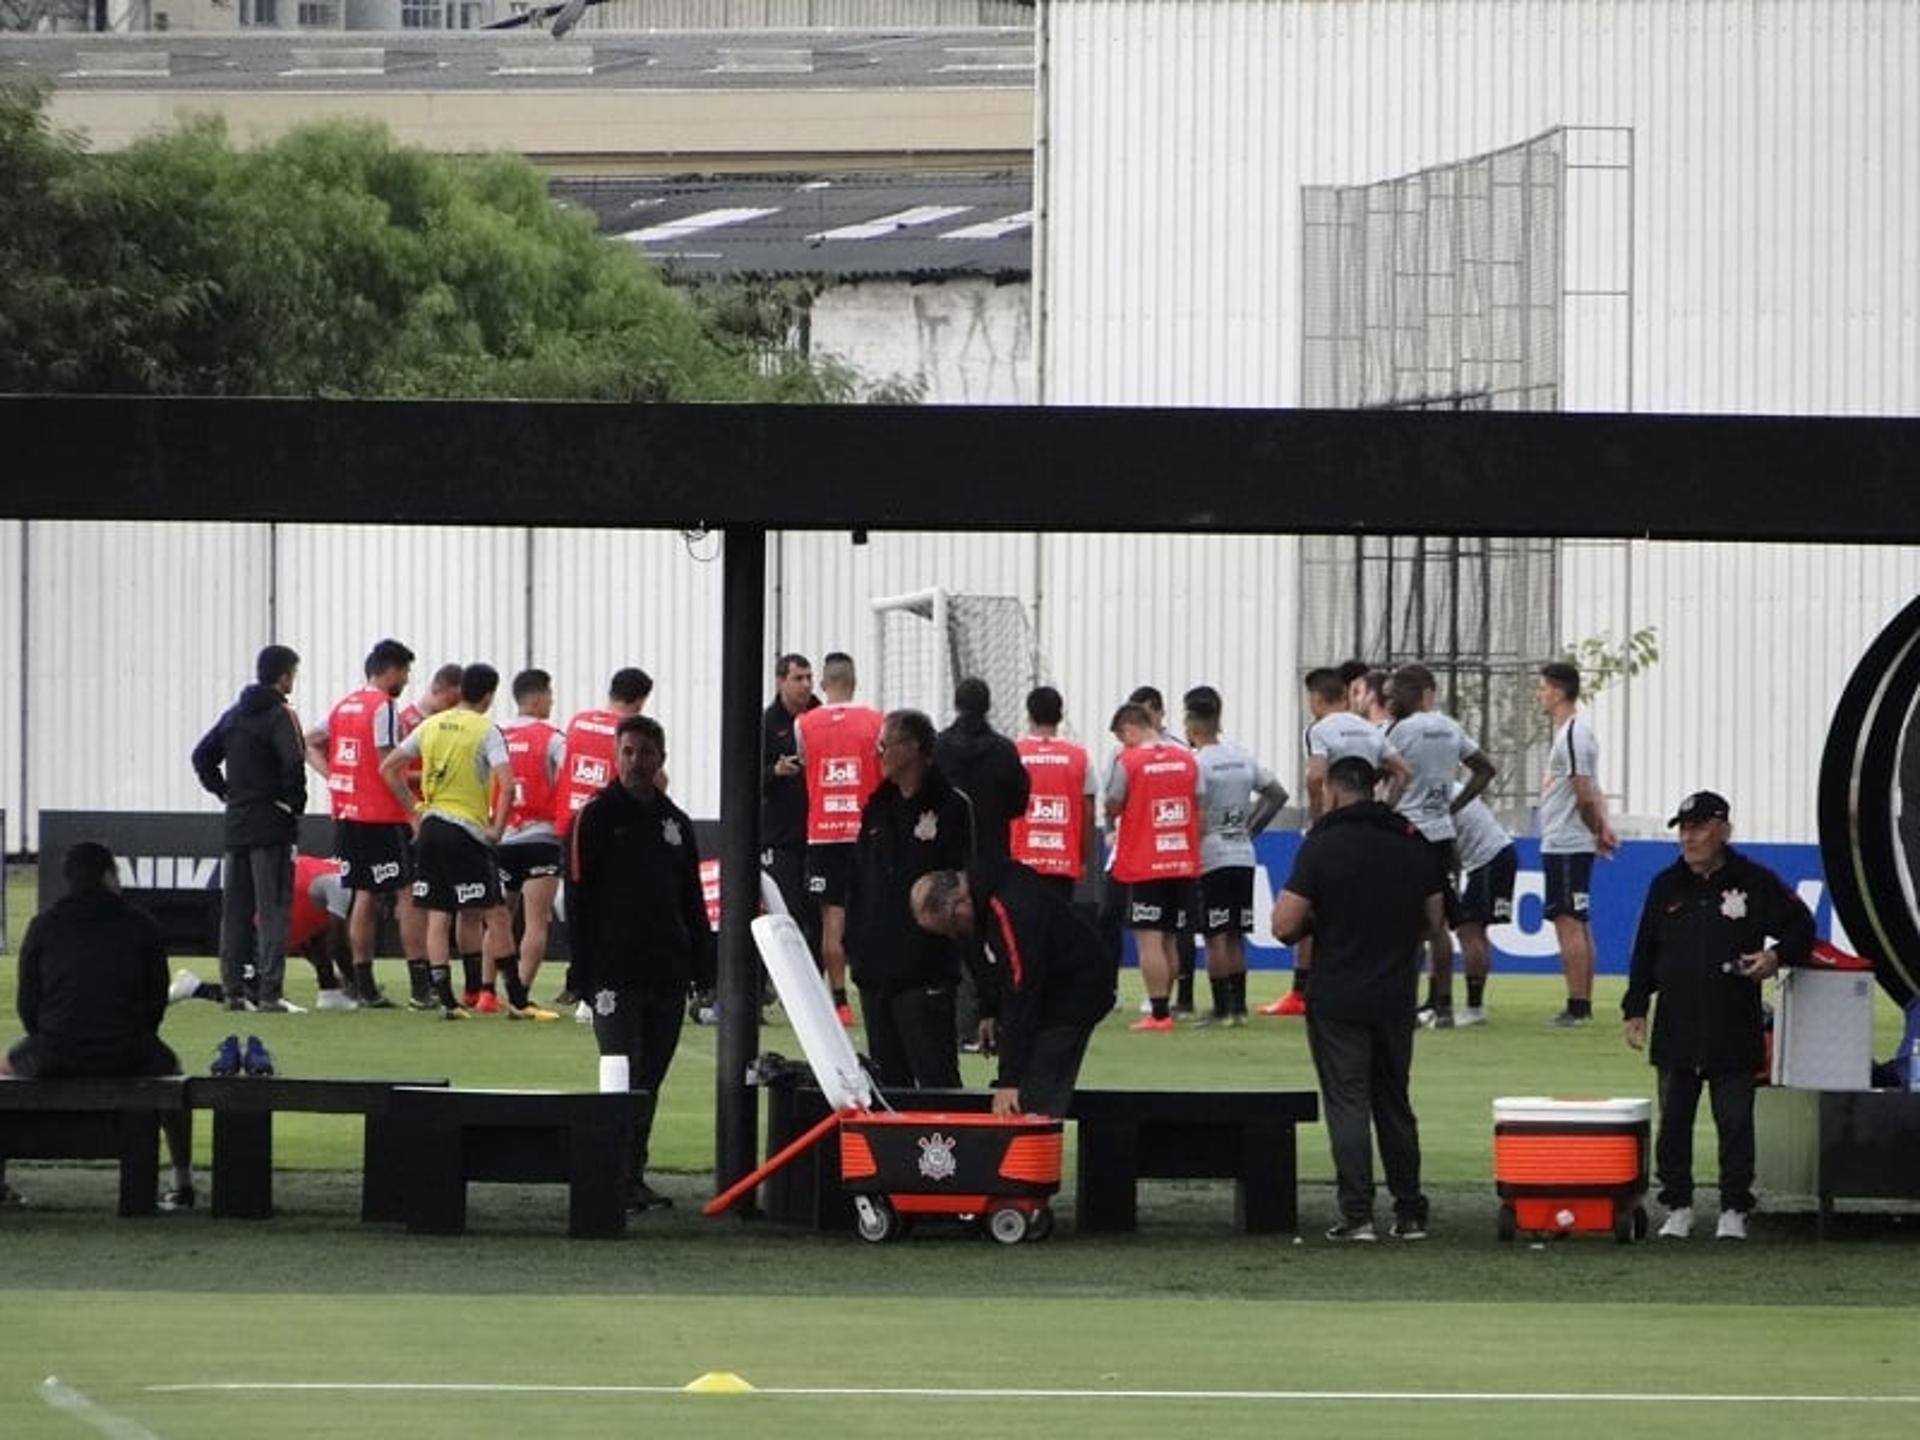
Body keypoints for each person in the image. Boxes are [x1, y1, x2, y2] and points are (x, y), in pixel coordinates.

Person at [1623, 790, 1814, 1242]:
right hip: (1676, 1022)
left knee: (1734, 1123)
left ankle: (1733, 1207)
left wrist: (1775, 957)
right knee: (1674, 1123)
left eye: (1699, 828)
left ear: (1723, 830)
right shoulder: (1665, 886)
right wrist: (1635, 1007)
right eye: (1684, 830)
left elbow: (1801, 926)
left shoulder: (1754, 880)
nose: (1689, 838)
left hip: (1733, 1020)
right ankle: (1678, 1205)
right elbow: (1645, 950)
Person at [1270, 757, 1442, 1242]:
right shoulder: (1411, 840)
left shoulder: (1323, 843)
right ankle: (1409, 1212)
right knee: (1394, 1102)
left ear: (1333, 789)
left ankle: (1357, 1214)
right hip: (1395, 993)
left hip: (1338, 993)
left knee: (1348, 1102)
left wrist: (1318, 923)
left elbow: (1283, 925)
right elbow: (1433, 923)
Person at [567, 714, 714, 1212]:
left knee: (651, 1078)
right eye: (627, 752)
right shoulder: (595, 816)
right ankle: (609, 1174)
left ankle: (634, 1173)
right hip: (613, 973)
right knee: (620, 1073)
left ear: (661, 759)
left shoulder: (675, 823)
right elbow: (579, 898)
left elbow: (693, 901)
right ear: (616, 755)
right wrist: (580, 973)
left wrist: (704, 967)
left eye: (645, 753)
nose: (635, 762)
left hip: (667, 972)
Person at [0, 843, 195, 1211]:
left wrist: (47, 1038)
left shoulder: (44, 925)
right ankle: (182, 1183)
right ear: (108, 875)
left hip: (56, 1050)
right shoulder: (142, 925)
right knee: (176, 1076)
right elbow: (155, 1000)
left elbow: (27, 1004)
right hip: (129, 1051)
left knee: (3, 1067)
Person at [1258, 667, 1408, 1017]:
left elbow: (1315, 775)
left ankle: (1300, 991)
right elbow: (1403, 772)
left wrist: (1320, 816)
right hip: (1370, 830)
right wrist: (1385, 807)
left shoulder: (1320, 729)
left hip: (1335, 828)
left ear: (1316, 699)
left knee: (1310, 904)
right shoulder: (1369, 730)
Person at [911, 862, 1116, 1116]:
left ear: (961, 904)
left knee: (1032, 1095)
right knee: (1025, 1081)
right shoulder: (974, 906)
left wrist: (1010, 1080)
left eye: (951, 928)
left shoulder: (1009, 906)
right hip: (1043, 986)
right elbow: (980, 957)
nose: (953, 936)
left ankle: (1035, 1136)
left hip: (1076, 988)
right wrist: (989, 1011)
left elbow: (1021, 989)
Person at [844, 709, 974, 1088]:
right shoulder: (876, 808)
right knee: (888, 1082)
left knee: (936, 1077)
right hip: (876, 969)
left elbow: (965, 885)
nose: (880, 753)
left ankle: (948, 1147)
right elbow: (858, 879)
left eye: (886, 744)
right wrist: (855, 942)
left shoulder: (950, 806)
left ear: (913, 747)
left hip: (925, 969)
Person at [380, 662, 513, 1019]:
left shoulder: (432, 724)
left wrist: (413, 810)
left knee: (441, 913)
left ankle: (450, 998)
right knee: (491, 911)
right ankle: (511, 996)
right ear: (488, 695)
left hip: (432, 826)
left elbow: (388, 767)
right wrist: (497, 829)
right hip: (467, 830)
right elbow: (508, 784)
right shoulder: (486, 729)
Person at [191, 643, 307, 1015]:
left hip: (237, 823)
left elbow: (202, 756)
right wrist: (293, 805)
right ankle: (270, 993)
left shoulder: (235, 714)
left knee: (235, 911)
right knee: (272, 910)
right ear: (284, 676)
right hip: (271, 824)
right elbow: (294, 762)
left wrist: (224, 791)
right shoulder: (280, 715)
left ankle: (233, 991)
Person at [1384, 664, 1498, 1029]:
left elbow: (1382, 771)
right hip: (1443, 837)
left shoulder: (1399, 731)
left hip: (1409, 835)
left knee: (1408, 925)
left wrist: (1385, 808)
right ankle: (1442, 1006)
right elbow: (1485, 769)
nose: (1389, 701)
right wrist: (1454, 804)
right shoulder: (1450, 727)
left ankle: (1412, 1002)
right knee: (1439, 926)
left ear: (1412, 692)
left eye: (1393, 694)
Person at [306, 638, 416, 1009]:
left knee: (363, 895)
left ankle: (364, 984)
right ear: (391, 670)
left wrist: (336, 777)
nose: (405, 680)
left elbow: (309, 741)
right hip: (380, 815)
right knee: (405, 893)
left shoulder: (344, 705)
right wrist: (413, 810)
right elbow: (388, 763)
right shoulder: (383, 706)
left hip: (348, 814)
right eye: (405, 673)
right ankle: (420, 985)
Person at [1183, 685, 1289, 1028]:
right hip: (1243, 853)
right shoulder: (1241, 755)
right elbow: (1277, 794)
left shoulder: (1198, 763)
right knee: (1236, 934)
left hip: (1212, 855)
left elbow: (1197, 815)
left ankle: (1221, 1009)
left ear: (1192, 724)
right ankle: (1239, 1008)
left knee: (1215, 936)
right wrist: (1250, 827)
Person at [933, 676, 1030, 1049]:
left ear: (956, 705)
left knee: (952, 936)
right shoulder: (1004, 750)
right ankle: (995, 1019)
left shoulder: (940, 747)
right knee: (995, 940)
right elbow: (1020, 802)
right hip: (992, 856)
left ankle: (955, 1023)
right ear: (988, 706)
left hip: (949, 856)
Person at [552, 666, 654, 1009]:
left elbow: (562, 767)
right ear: (640, 700)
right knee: (612, 910)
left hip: (572, 825)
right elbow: (652, 778)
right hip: (611, 827)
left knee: (578, 906)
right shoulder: (628, 731)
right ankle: (594, 993)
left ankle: (578, 984)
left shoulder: (578, 722)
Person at [795, 652, 886, 1026]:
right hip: (865, 834)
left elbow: (803, 766)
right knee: (872, 916)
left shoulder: (805, 723)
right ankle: (873, 990)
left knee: (832, 921)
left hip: (823, 834)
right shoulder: (876, 721)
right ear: (854, 681)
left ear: (824, 684)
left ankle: (839, 1001)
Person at [1105, 702, 1202, 1033]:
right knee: (1171, 939)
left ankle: (1158, 1012)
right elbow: (1199, 799)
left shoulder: (1129, 760)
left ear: (1130, 729)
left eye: (1123, 737)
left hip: (1146, 861)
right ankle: (1166, 1007)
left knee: (1149, 939)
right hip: (1181, 859)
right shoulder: (1187, 757)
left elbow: (1113, 801)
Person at [1538, 660, 1619, 1028]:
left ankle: (1577, 1005)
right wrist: (1600, 827)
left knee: (1567, 920)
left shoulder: (1572, 734)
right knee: (1577, 920)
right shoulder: (1572, 734)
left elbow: (1583, 792)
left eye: (1542, 688)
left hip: (1567, 841)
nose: (1539, 695)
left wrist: (1595, 828)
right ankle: (1581, 1002)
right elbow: (1593, 788)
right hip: (1571, 839)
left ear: (1557, 690)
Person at [170, 852, 357, 1010]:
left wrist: (328, 981)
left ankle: (330, 991)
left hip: (258, 920)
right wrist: (360, 984)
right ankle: (195, 987)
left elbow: (313, 934)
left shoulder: (327, 873)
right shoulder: (339, 885)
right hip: (253, 931)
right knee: (255, 999)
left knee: (319, 934)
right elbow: (338, 945)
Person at [482, 667, 565, 1021]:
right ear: (535, 697)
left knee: (498, 919)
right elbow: (567, 777)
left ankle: (485, 992)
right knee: (536, 921)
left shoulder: (494, 733)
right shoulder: (553, 738)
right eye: (548, 694)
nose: (551, 701)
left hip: (500, 836)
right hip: (540, 836)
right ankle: (523, 996)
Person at [1010, 685, 1098, 902]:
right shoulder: (1080, 757)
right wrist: (1082, 858)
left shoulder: (1013, 753)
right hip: (1063, 859)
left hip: (1021, 858)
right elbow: (1089, 812)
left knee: (1025, 928)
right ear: (1060, 716)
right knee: (1057, 928)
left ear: (1029, 716)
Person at [761, 652, 820, 958]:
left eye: (809, 678)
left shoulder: (820, 717)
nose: (806, 685)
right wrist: (775, 771)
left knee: (818, 913)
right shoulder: (768, 723)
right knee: (788, 909)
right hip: (782, 837)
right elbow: (747, 777)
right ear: (780, 681)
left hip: (818, 832)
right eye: (798, 678)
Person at [1448, 784, 1515, 1028]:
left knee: (1468, 929)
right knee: (1474, 930)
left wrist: (1452, 885)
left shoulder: (1435, 790)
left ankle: (1474, 1007)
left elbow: (1449, 848)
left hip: (1488, 858)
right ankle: (1475, 1004)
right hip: (1495, 855)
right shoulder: (1448, 785)